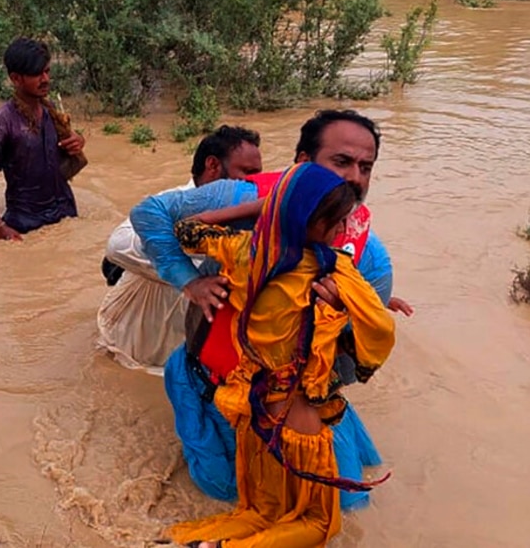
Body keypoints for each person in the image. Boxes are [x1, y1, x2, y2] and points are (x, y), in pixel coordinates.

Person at [131, 109, 411, 510]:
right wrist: (188, 280)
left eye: (366, 167)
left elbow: (354, 368)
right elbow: (149, 214)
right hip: (211, 379)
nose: (354, 178)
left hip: (294, 403)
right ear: (301, 163)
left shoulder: (370, 261)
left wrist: (337, 321)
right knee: (221, 490)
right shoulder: (235, 197)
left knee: (347, 506)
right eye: (341, 161)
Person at [164, 163, 396, 548]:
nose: (342, 230)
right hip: (297, 417)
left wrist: (266, 207)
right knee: (321, 524)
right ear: (311, 221)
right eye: (336, 222)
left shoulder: (243, 252)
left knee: (262, 510)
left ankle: (185, 541)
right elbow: (382, 330)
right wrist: (359, 353)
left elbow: (187, 228)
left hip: (252, 409)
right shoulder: (332, 269)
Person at [95, 125, 263, 374]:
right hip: (131, 342)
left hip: (194, 350)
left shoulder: (251, 212)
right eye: (247, 173)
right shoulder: (170, 204)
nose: (254, 182)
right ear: (213, 165)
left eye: (258, 174)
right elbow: (116, 246)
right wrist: (188, 273)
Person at [0, 38, 87, 240]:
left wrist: (79, 140)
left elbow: (68, 145)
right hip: (26, 224)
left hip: (65, 213)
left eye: (47, 71)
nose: (45, 79)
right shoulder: (1, 123)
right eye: (37, 74)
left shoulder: (51, 110)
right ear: (16, 79)